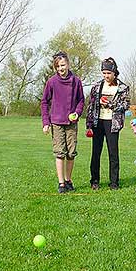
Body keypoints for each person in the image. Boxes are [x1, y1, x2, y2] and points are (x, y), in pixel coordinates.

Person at [41, 51, 85, 194]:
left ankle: (68, 180)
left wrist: (77, 113)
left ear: (68, 64)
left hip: (72, 123)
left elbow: (81, 100)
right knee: (60, 153)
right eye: (58, 66)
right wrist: (46, 122)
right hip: (57, 122)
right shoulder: (52, 82)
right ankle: (61, 183)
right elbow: (44, 102)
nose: (61, 68)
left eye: (63, 65)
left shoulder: (76, 81)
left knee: (71, 154)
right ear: (56, 67)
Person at [86, 57, 130, 190]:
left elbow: (125, 105)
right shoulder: (96, 86)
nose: (106, 76)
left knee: (113, 153)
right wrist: (88, 125)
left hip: (113, 123)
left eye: (108, 73)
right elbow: (90, 105)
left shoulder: (123, 87)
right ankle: (94, 181)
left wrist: (109, 104)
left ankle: (114, 182)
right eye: (104, 73)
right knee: (96, 153)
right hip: (97, 122)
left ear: (114, 72)